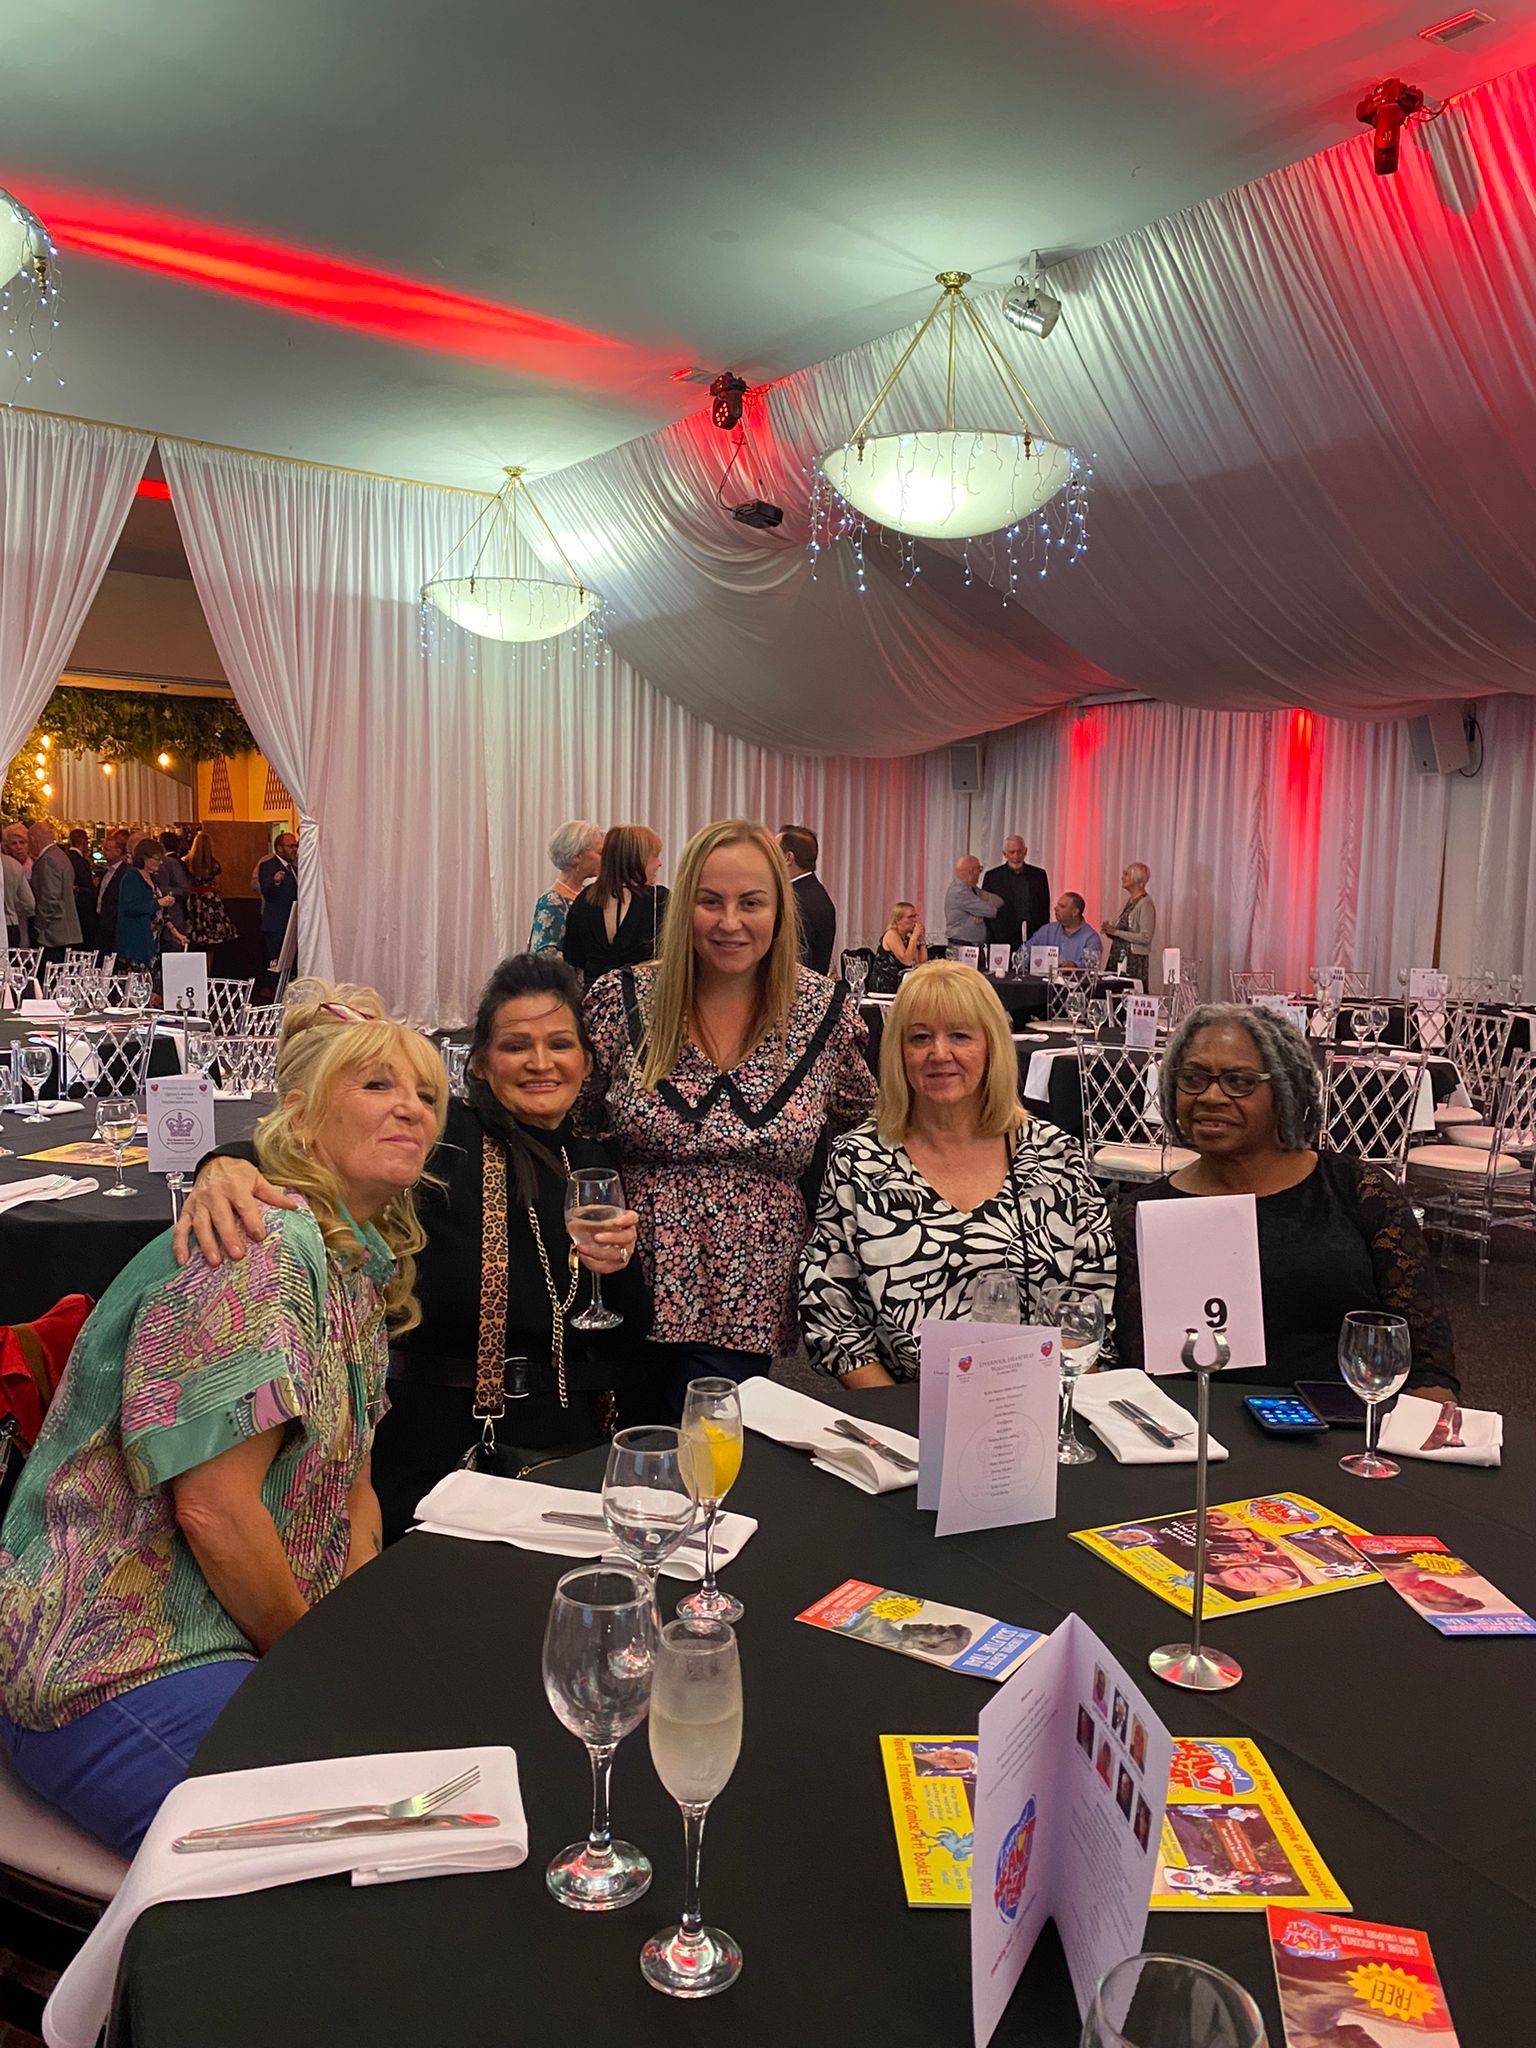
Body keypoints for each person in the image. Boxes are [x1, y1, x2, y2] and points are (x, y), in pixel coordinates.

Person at [0, 984, 447, 1853]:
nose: (412, 1109)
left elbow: (351, 1492)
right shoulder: (260, 1249)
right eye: (377, 1085)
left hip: (224, 1636)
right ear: (300, 1118)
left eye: (427, 1094)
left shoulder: (355, 1268)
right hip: (111, 1661)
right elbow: (214, 1510)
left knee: (425, 1782)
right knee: (358, 1854)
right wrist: (316, 1661)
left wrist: (353, 1648)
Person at [175, 953, 645, 1542]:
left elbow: (624, 1335)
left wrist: (619, 1269)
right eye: (515, 1046)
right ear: (480, 1062)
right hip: (448, 1450)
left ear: (587, 1060)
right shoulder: (445, 1136)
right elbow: (310, 1142)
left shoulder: (594, 1161)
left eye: (560, 1044)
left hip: (568, 1445)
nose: (540, 1062)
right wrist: (224, 1165)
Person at [581, 818, 876, 1417]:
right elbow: (575, 1125)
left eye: (751, 902)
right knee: (626, 1447)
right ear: (683, 906)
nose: (730, 922)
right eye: (710, 901)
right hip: (623, 1284)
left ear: (780, 911)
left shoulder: (823, 1012)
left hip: (750, 1294)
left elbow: (869, 1127)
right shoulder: (622, 999)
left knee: (709, 1450)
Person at [1113, 1003, 1458, 1397]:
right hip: (1190, 1422)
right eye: (1192, 1079)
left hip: (1348, 1422)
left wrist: (1422, 1424)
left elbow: (1427, 1356)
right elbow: (1133, 1365)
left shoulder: (1358, 1191)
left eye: (1239, 1082)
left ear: (1284, 1090)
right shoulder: (1142, 1215)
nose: (1210, 1096)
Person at [799, 961, 1115, 1384]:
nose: (939, 1053)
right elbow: (832, 1316)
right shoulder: (857, 1161)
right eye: (920, 1037)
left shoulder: (1058, 1157)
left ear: (991, 1046)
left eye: (960, 1036)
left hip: (1040, 1402)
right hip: (900, 1407)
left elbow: (1089, 1308)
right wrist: (897, 1414)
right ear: (898, 1052)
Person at [561, 824, 667, 985]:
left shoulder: (584, 899)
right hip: (641, 997)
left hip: (594, 997)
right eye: (655, 856)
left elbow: (574, 957)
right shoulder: (658, 899)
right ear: (637, 858)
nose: (659, 863)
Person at [529, 819, 604, 955]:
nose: (604, 859)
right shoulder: (552, 901)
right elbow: (545, 955)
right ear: (577, 856)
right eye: (599, 853)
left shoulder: (587, 894)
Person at [779, 824, 837, 977]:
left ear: (788, 858)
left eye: (774, 852)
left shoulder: (797, 901)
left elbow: (790, 959)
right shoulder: (814, 892)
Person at [24, 822, 81, 961]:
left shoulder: (47, 860)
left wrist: (38, 926)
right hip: (66, 930)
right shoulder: (61, 856)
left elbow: (50, 898)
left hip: (53, 934)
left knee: (49, 971)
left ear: (34, 840)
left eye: (28, 841)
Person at [983, 836, 1051, 952]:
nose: (1016, 856)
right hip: (1001, 939)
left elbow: (1044, 908)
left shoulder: (1039, 875)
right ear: (1004, 854)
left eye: (1019, 852)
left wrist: (1043, 936)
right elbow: (987, 910)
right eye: (1012, 852)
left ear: (1025, 852)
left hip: (1033, 938)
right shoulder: (992, 877)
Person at [115, 837, 171, 969]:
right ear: (145, 858)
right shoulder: (131, 878)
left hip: (152, 941)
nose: (161, 862)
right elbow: (130, 907)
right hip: (135, 942)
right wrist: (158, 903)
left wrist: (174, 931)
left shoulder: (152, 878)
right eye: (157, 858)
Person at [183, 829, 240, 951]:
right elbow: (218, 886)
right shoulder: (214, 864)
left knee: (192, 937)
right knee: (212, 941)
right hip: (210, 901)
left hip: (192, 900)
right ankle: (209, 963)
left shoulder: (186, 862)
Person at [1103, 862, 1156, 979]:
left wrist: (1115, 932)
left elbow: (1145, 937)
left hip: (1133, 960)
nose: (1122, 878)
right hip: (1119, 956)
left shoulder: (1145, 903)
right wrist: (1109, 930)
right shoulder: (1129, 901)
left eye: (1126, 874)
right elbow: (1122, 933)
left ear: (1136, 878)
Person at [257, 830, 299, 971]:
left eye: (296, 846)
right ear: (279, 848)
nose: (295, 849)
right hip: (276, 924)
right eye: (291, 846)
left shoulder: (294, 868)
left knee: (292, 964)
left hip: (292, 922)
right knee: (278, 963)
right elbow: (266, 890)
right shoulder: (268, 865)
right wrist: (275, 882)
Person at [1028, 893, 1104, 971]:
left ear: (1075, 912)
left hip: (1076, 978)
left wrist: (1074, 965)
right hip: (1045, 978)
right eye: (1057, 905)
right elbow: (1025, 952)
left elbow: (1091, 966)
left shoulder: (1091, 938)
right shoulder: (1047, 930)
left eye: (1062, 906)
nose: (1056, 908)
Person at [944, 856, 1002, 952]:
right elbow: (991, 911)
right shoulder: (960, 892)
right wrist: (983, 908)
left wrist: (980, 910)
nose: (980, 873)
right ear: (971, 871)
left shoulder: (972, 890)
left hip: (973, 948)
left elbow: (999, 901)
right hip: (961, 949)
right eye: (979, 869)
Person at [872, 901, 927, 990]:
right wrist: (914, 937)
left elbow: (921, 963)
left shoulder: (907, 938)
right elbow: (907, 960)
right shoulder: (891, 934)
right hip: (886, 985)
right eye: (910, 917)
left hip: (902, 984)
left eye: (916, 916)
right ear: (898, 920)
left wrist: (921, 941)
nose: (915, 920)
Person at [94, 829, 131, 960]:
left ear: (118, 851)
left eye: (107, 850)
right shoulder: (106, 871)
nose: (103, 852)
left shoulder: (125, 872)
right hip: (102, 923)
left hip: (114, 925)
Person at [155, 830, 194, 952]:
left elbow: (184, 890)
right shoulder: (180, 862)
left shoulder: (172, 863)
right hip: (169, 916)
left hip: (173, 914)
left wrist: (159, 890)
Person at [2, 821, 35, 948]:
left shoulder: (36, 865)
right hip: (14, 922)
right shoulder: (13, 866)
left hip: (28, 924)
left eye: (22, 842)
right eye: (14, 844)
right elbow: (29, 903)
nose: (19, 847)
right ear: (6, 846)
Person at [65, 829, 98, 949]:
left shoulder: (65, 858)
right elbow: (87, 887)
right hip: (82, 910)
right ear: (84, 842)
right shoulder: (82, 862)